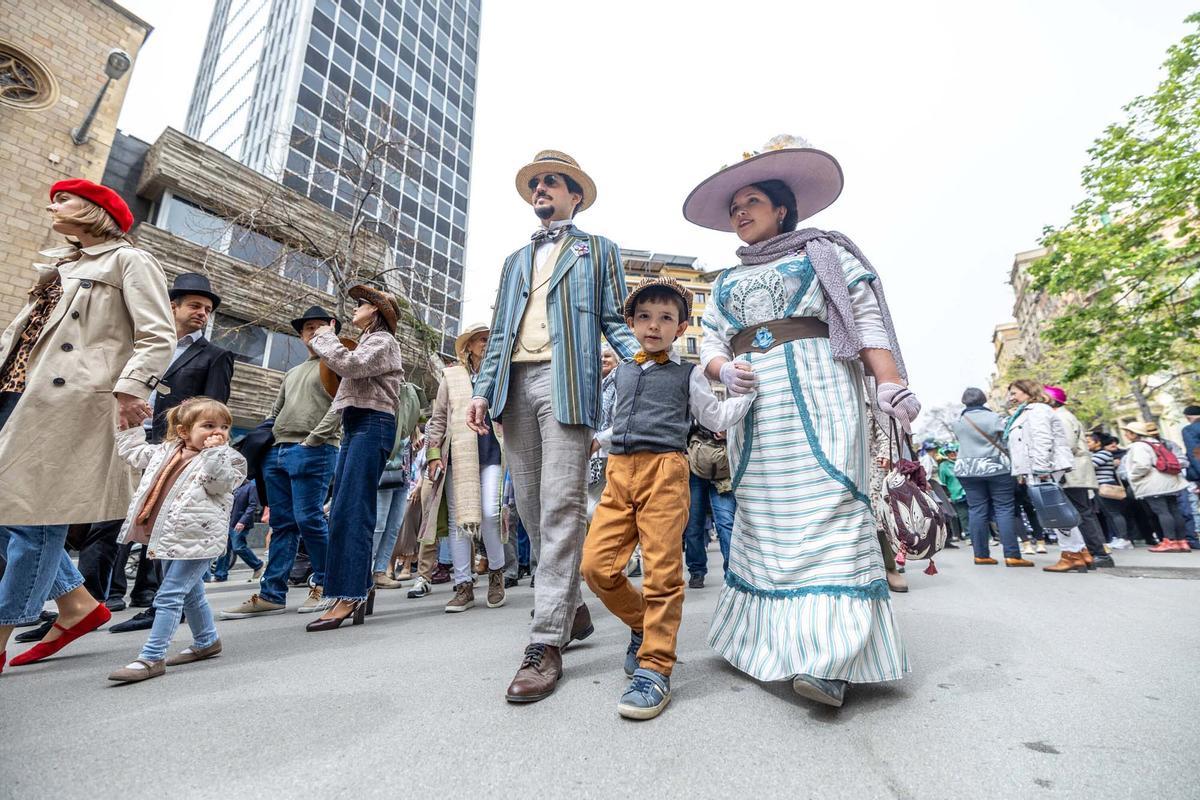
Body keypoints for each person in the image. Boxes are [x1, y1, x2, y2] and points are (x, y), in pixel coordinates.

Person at [683, 136, 919, 708]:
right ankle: (766, 644)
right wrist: (722, 367)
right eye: (734, 206)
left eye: (752, 201)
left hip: (822, 389)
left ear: (782, 207)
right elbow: (711, 338)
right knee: (765, 518)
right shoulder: (725, 281)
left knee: (833, 506)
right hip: (758, 408)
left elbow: (864, 322)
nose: (740, 212)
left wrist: (888, 381)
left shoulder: (826, 254)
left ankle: (830, 659)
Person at [467, 150, 639, 703]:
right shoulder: (515, 259)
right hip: (513, 386)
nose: (541, 188)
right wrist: (481, 390)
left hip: (567, 383)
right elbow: (498, 335)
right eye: (535, 182)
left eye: (553, 182)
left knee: (563, 507)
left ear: (575, 196)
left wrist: (649, 366)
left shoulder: (599, 251)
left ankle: (545, 642)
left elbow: (615, 319)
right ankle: (574, 610)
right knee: (533, 510)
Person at [0, 179, 175, 673]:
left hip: (68, 401)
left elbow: (158, 334)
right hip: (18, 393)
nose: (51, 203)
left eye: (65, 199)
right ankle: (75, 604)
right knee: (12, 512)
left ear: (96, 211)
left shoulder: (128, 260)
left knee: (36, 519)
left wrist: (132, 388)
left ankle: (2, 630)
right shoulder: (64, 265)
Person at [580, 277, 752, 719]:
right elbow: (623, 419)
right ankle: (641, 623)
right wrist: (600, 440)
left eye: (665, 318)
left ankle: (655, 666)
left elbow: (713, 416)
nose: (653, 326)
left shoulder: (688, 373)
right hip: (620, 470)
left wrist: (746, 397)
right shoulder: (620, 370)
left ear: (679, 329)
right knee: (597, 567)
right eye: (644, 317)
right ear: (632, 324)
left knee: (661, 572)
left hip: (665, 471)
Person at [108, 272, 236, 632]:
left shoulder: (215, 355)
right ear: (172, 306)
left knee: (167, 514)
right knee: (127, 514)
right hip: (136, 436)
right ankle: (110, 591)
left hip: (176, 446)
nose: (202, 314)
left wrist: (200, 442)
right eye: (195, 306)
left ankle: (152, 597)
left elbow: (213, 409)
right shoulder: (147, 347)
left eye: (207, 309)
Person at [106, 399, 246, 683]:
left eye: (224, 427)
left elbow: (218, 483)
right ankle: (207, 641)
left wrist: (215, 452)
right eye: (208, 426)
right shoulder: (165, 452)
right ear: (183, 431)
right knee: (190, 592)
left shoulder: (230, 458)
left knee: (169, 594)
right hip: (169, 535)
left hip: (200, 538)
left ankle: (152, 656)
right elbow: (134, 452)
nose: (218, 432)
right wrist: (129, 426)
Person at [221, 306, 343, 620]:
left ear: (331, 330)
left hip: (314, 450)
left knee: (309, 518)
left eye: (319, 327)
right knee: (282, 524)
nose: (313, 332)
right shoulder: (292, 372)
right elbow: (274, 413)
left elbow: (341, 406)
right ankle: (271, 593)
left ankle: (328, 586)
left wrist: (312, 441)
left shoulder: (337, 364)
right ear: (301, 336)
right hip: (277, 453)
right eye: (307, 328)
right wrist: (267, 446)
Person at [304, 285, 404, 631]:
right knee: (349, 507)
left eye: (360, 305)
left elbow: (350, 364)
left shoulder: (383, 342)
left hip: (372, 423)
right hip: (359, 422)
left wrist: (326, 337)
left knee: (351, 509)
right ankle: (357, 590)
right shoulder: (371, 341)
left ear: (374, 312)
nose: (355, 309)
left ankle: (348, 594)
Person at [424, 322, 508, 613]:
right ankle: (463, 585)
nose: (486, 344)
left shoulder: (501, 373)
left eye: (489, 339)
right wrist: (433, 454)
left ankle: (497, 572)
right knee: (459, 523)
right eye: (481, 340)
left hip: (493, 451)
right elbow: (438, 418)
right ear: (468, 346)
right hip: (457, 455)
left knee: (489, 515)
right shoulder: (452, 376)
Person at [1004, 380, 1083, 572]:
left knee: (1054, 511)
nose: (1011, 397)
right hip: (1037, 468)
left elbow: (1042, 439)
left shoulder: (1037, 410)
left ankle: (1071, 553)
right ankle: (1080, 551)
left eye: (1014, 393)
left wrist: (1040, 468)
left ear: (1027, 391)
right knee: (1056, 509)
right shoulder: (1028, 411)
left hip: (1043, 468)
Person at [1044, 385, 1114, 568]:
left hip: (1072, 471)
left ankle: (1098, 552)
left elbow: (1066, 445)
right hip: (1071, 470)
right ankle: (1091, 551)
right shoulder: (1061, 416)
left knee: (1082, 513)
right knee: (1080, 513)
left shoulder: (1061, 417)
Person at [371, 381, 421, 590]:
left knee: (393, 526)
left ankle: (380, 571)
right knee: (379, 524)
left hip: (403, 474)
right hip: (384, 471)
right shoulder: (383, 407)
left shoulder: (411, 424)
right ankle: (367, 568)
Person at [1122, 421, 1192, 552]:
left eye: (1128, 432)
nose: (1125, 434)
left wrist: (1133, 476)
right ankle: (1182, 541)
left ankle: (1169, 541)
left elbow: (1142, 465)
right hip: (1170, 480)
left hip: (1153, 482)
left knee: (1162, 511)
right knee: (1174, 510)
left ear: (1134, 434)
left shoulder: (1138, 446)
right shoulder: (1155, 442)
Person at [683, 425, 737, 588]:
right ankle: (696, 571)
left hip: (722, 465)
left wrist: (729, 433)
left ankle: (732, 571)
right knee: (693, 524)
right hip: (695, 464)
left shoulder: (732, 399)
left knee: (726, 522)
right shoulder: (691, 400)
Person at [587, 345, 620, 519]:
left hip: (615, 453)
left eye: (607, 356)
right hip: (594, 456)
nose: (603, 360)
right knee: (591, 509)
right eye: (599, 357)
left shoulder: (621, 383)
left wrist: (600, 440)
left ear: (617, 362)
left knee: (614, 506)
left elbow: (623, 421)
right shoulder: (591, 388)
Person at [210, 478, 264, 582]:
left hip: (240, 522)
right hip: (228, 522)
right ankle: (220, 575)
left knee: (238, 547)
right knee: (224, 549)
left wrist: (242, 521)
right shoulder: (233, 487)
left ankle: (257, 564)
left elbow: (252, 505)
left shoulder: (251, 486)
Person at [1088, 432, 1132, 549]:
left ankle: (1124, 538)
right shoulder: (1096, 454)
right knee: (1109, 514)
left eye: (1089, 442)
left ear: (1098, 443)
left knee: (1114, 513)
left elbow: (1089, 466)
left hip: (1106, 486)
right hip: (1100, 486)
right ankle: (1117, 537)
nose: (1087, 444)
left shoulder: (1103, 453)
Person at [937, 444, 970, 536]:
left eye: (953, 451)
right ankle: (968, 535)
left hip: (970, 491)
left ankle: (985, 536)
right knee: (963, 516)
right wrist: (947, 495)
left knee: (977, 514)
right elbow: (942, 482)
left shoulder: (964, 461)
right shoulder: (944, 466)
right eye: (949, 452)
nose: (952, 453)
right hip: (956, 494)